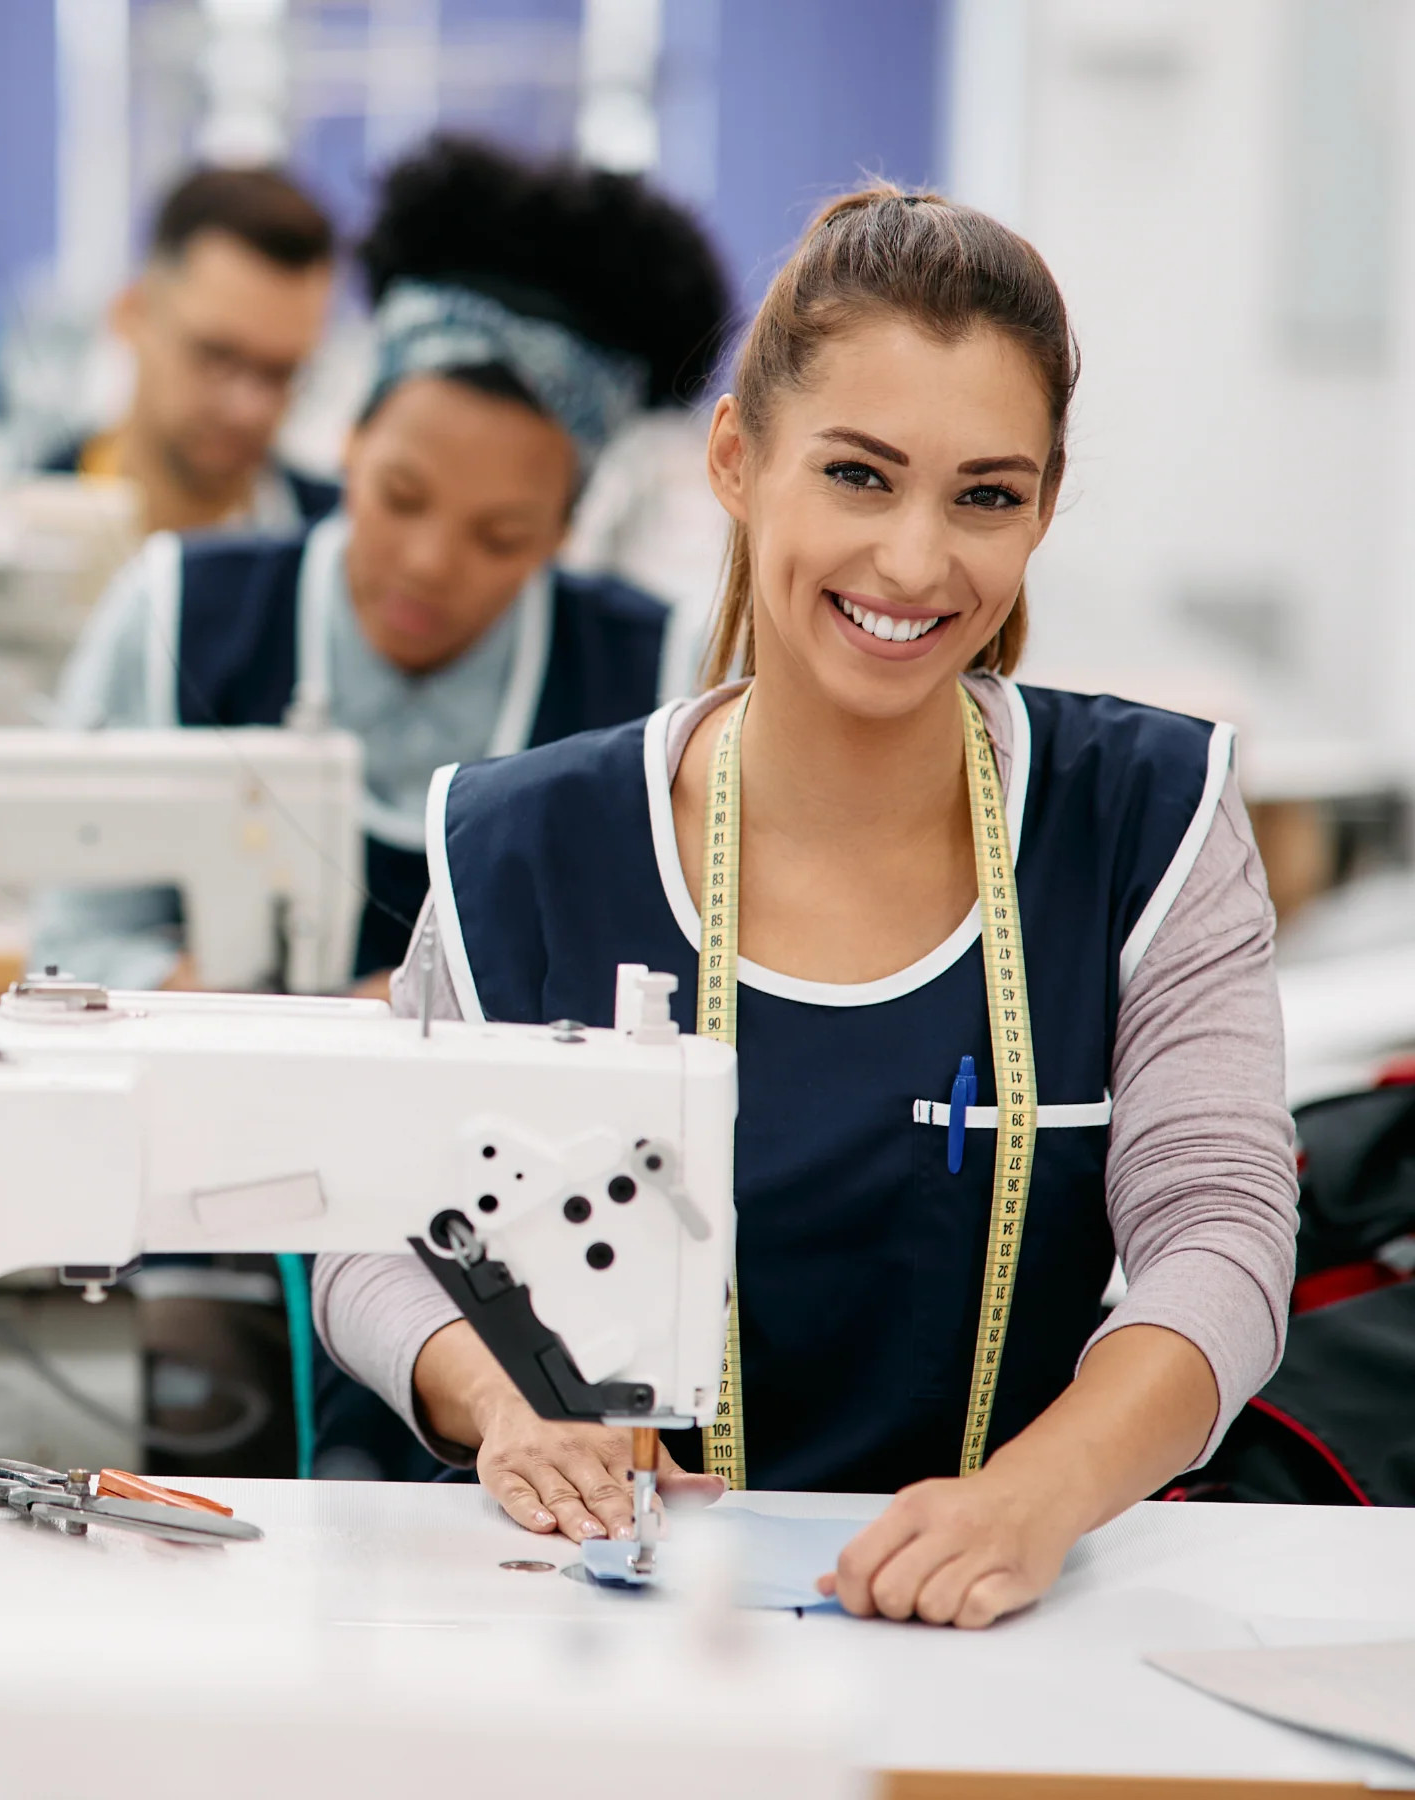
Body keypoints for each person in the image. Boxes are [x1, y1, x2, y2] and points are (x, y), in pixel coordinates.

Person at [313, 186, 1301, 1627]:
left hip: (1013, 1621)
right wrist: (512, 1405)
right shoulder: (521, 845)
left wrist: (1036, 1498)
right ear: (736, 457)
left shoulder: (1151, 823)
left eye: (986, 496)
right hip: (594, 1626)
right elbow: (381, 1229)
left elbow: (1221, 1238)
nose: (915, 560)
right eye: (857, 475)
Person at [40, 135, 730, 994]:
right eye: (399, 497)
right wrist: (284, 1027)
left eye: (501, 535)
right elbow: (74, 937)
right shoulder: (173, 615)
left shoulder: (656, 684)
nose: (430, 563)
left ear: (566, 527)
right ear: (349, 444)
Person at [45, 165, 341, 535]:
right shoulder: (10, 536)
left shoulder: (343, 546)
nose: (247, 408)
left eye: (282, 373)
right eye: (216, 356)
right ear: (132, 313)